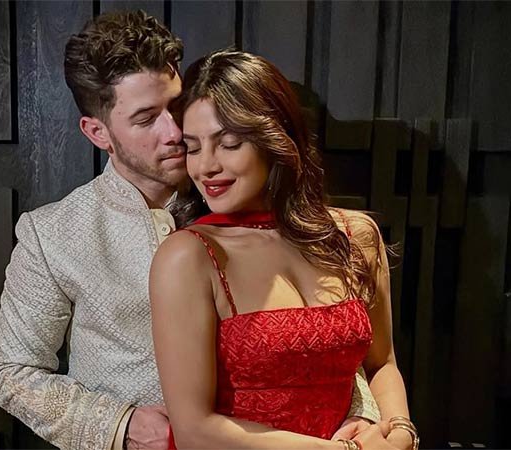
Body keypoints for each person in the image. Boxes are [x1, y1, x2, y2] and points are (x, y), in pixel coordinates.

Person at [0, 11, 380, 450]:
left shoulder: (241, 195)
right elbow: (11, 371)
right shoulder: (53, 234)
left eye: (176, 107)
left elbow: (320, 336)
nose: (175, 131)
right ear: (98, 132)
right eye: (145, 118)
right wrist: (120, 425)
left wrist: (363, 416)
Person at [150, 50, 417, 450]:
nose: (205, 166)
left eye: (229, 143)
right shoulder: (188, 257)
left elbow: (382, 364)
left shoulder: (356, 236)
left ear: (275, 138)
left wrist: (401, 432)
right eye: (193, 147)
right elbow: (194, 430)